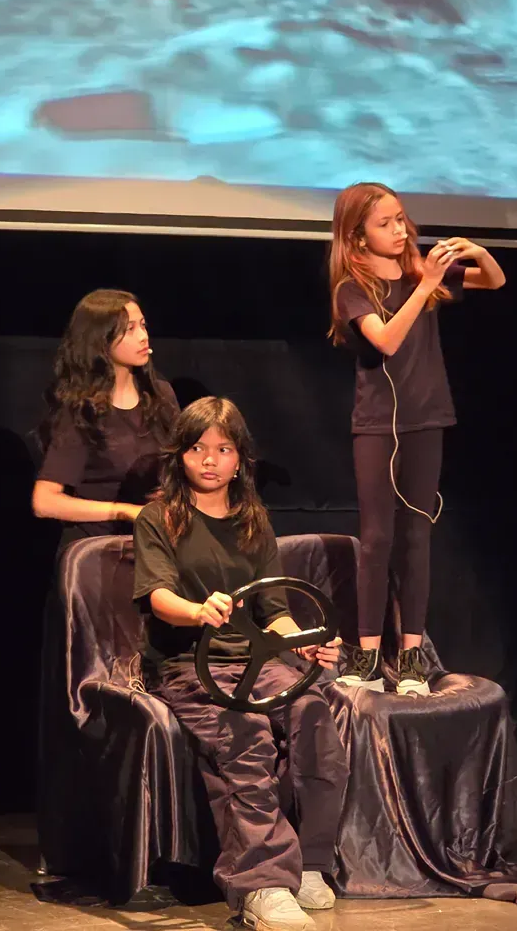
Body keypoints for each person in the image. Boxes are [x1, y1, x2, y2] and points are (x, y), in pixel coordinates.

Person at [133, 397, 348, 931]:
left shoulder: (254, 521)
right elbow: (158, 596)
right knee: (245, 735)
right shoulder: (160, 518)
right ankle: (262, 884)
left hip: (257, 660)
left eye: (222, 449)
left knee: (316, 714)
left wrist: (308, 642)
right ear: (180, 456)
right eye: (198, 448)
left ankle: (312, 865)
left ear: (240, 459)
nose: (209, 460)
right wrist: (197, 611)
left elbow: (274, 614)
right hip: (192, 665)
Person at [329, 182, 506, 695]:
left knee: (417, 537)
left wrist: (476, 253)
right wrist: (426, 287)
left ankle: (410, 658)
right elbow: (383, 339)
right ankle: (364, 655)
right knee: (377, 539)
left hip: (428, 418)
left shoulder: (417, 271)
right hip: (377, 424)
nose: (400, 230)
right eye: (384, 223)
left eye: (401, 218)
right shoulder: (352, 286)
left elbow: (494, 281)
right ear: (357, 237)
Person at [32, 288, 178, 547]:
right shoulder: (81, 410)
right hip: (100, 551)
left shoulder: (160, 395)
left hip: (156, 544)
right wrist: (125, 511)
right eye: (129, 330)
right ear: (101, 341)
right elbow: (45, 502)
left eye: (143, 326)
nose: (143, 337)